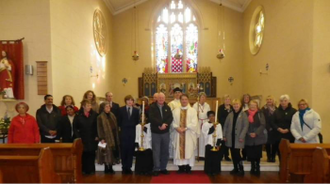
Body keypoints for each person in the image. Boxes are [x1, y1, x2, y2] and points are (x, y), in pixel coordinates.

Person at [172, 94, 198, 174]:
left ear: (188, 100)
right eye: (182, 99)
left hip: (189, 133)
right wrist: (177, 128)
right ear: (180, 100)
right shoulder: (175, 110)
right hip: (178, 133)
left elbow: (194, 122)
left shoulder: (192, 110)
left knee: (188, 149)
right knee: (179, 150)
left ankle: (188, 167)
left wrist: (185, 128)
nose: (184, 101)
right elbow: (172, 121)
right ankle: (180, 167)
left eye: (185, 99)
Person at [149, 92, 173, 176]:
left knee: (165, 151)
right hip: (156, 132)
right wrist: (160, 124)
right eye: (159, 98)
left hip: (165, 132)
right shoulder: (152, 107)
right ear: (157, 98)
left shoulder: (167, 107)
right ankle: (156, 168)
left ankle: (163, 168)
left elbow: (170, 118)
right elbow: (151, 118)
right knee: (156, 151)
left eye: (162, 98)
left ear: (164, 98)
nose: (161, 99)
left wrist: (165, 125)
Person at [223, 99, 249, 176]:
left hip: (238, 138)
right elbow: (225, 125)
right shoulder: (230, 114)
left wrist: (242, 136)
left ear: (240, 105)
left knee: (237, 154)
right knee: (233, 154)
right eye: (234, 105)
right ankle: (235, 168)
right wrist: (224, 135)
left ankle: (241, 169)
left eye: (237, 104)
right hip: (230, 137)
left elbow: (245, 126)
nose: (235, 106)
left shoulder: (243, 114)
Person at [74, 100, 98, 175]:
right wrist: (78, 137)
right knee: (83, 154)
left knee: (91, 153)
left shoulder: (94, 114)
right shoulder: (78, 115)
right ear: (83, 106)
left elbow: (97, 126)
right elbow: (75, 127)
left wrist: (97, 135)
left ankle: (91, 170)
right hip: (82, 137)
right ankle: (84, 170)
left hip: (92, 137)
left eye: (90, 105)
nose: (89, 107)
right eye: (87, 105)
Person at [117, 95, 140, 174]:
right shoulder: (121, 110)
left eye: (131, 100)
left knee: (130, 150)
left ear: (133, 102)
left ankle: (129, 167)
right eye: (128, 100)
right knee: (124, 150)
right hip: (123, 132)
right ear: (125, 101)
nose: (130, 102)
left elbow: (137, 121)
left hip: (132, 132)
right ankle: (124, 166)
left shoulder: (136, 111)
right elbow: (119, 121)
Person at [96, 102, 120, 174]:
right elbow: (99, 128)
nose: (108, 108)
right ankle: (107, 168)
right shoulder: (100, 117)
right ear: (103, 108)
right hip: (105, 137)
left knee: (112, 153)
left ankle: (111, 167)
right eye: (106, 107)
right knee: (106, 153)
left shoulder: (112, 115)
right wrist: (101, 138)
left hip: (113, 136)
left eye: (109, 107)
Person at [271, 94, 297, 160]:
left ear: (288, 101)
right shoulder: (276, 111)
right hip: (278, 135)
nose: (283, 102)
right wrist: (278, 128)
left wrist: (288, 129)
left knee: (289, 152)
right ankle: (282, 167)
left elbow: (295, 123)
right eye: (282, 101)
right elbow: (272, 122)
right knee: (280, 152)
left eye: (285, 101)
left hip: (290, 134)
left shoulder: (294, 111)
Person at [245, 100, 266, 176]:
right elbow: (243, 125)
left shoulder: (260, 113)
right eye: (251, 105)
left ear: (257, 106)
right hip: (249, 136)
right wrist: (249, 133)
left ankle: (257, 167)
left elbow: (263, 124)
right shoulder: (245, 113)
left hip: (258, 136)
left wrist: (256, 133)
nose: (252, 106)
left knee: (257, 153)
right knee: (250, 153)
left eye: (254, 105)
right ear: (249, 105)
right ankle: (252, 166)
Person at [202, 111, 222, 176]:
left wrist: (218, 144)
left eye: (213, 116)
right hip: (209, 143)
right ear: (208, 117)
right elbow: (206, 133)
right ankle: (209, 170)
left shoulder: (218, 125)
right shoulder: (205, 124)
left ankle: (215, 170)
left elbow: (220, 135)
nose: (212, 117)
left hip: (216, 144)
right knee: (209, 158)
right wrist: (213, 127)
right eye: (210, 116)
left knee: (216, 158)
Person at [193, 92, 210, 159]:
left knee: (204, 138)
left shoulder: (207, 105)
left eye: (204, 97)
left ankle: (204, 154)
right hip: (198, 122)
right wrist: (196, 114)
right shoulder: (195, 105)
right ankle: (198, 154)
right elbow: (193, 114)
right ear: (199, 98)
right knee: (198, 138)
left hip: (205, 123)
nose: (203, 98)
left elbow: (209, 114)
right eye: (202, 97)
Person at [261, 95, 277, 162]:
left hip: (275, 129)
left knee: (274, 143)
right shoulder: (263, 109)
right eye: (268, 99)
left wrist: (274, 127)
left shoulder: (276, 109)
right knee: (267, 143)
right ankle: (269, 156)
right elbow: (263, 119)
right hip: (266, 128)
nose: (269, 100)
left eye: (270, 99)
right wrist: (268, 127)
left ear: (273, 101)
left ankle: (273, 156)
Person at [218, 95, 233, 161]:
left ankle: (227, 155)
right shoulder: (221, 107)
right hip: (223, 126)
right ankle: (221, 155)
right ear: (224, 100)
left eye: (229, 99)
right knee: (223, 141)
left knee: (228, 141)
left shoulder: (232, 107)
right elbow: (220, 117)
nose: (227, 101)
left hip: (231, 127)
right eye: (226, 99)